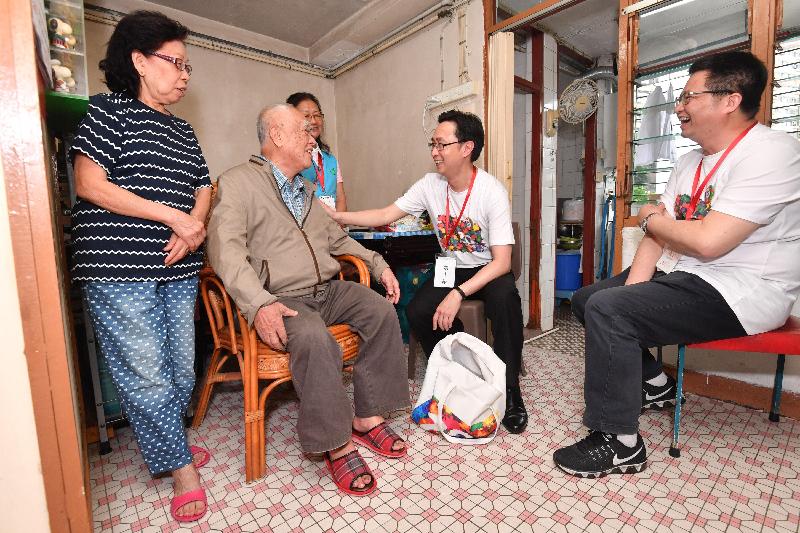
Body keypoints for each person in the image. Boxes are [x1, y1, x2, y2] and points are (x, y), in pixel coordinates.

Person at [553, 51, 800, 478]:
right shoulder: (689, 161)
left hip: (744, 289)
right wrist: (630, 293)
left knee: (610, 309)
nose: (678, 107)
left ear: (730, 100)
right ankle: (654, 384)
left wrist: (651, 219)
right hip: (687, 272)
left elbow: (706, 240)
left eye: (689, 97)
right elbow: (658, 236)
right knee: (589, 299)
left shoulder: (773, 152)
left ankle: (619, 443)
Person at [206, 104, 410, 496]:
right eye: (304, 130)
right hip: (280, 297)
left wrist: (378, 264)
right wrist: (259, 304)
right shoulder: (239, 183)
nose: (312, 138)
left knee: (381, 311)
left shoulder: (307, 190)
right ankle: (337, 442)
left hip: (326, 289)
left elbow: (338, 240)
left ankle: (367, 417)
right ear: (277, 135)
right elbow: (224, 251)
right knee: (316, 339)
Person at [70, 11, 213, 523]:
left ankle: (169, 445)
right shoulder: (107, 110)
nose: (184, 75)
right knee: (145, 373)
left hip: (177, 265)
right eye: (175, 62)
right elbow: (90, 183)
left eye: (187, 66)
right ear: (139, 61)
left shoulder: (183, 130)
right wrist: (173, 217)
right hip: (117, 265)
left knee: (180, 369)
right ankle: (181, 469)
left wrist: (194, 225)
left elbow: (204, 185)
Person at [327, 110, 528, 434]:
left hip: (487, 268)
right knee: (418, 310)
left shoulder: (491, 191)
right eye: (432, 144)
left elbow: (502, 262)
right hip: (451, 267)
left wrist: (457, 294)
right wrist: (339, 217)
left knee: (506, 301)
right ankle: (459, 372)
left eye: (441, 144)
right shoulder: (430, 185)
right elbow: (385, 214)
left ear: (466, 148)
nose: (434, 151)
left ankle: (510, 390)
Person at [286, 92, 347, 211]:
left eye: (317, 115)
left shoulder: (331, 160)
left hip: (333, 221)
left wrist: (338, 221)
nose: (313, 121)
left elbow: (340, 199)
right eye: (306, 116)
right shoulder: (289, 159)